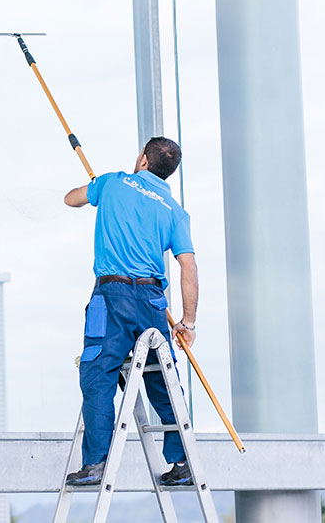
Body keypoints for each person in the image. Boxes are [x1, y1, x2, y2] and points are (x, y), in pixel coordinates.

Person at [62, 137, 198, 486]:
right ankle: (182, 461)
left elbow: (70, 199)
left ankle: (95, 464)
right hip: (153, 301)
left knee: (98, 374)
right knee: (162, 380)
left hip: (111, 295)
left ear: (142, 159)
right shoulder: (174, 210)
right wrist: (188, 322)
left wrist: (95, 188)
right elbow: (188, 267)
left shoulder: (112, 182)